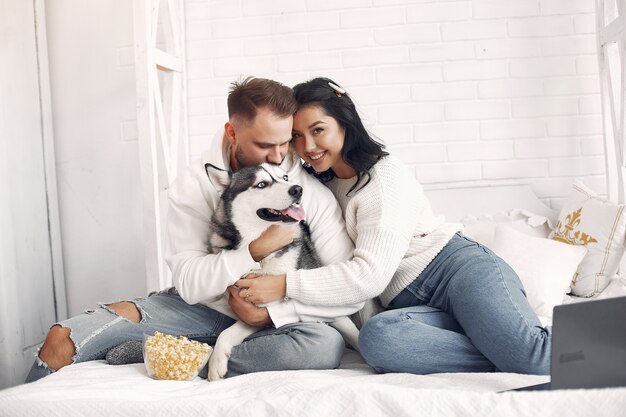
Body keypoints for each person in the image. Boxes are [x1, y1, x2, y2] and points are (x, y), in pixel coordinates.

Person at [25, 77, 361, 383]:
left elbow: (347, 284)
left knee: (323, 346)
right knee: (62, 338)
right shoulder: (195, 183)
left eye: (285, 143)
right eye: (263, 145)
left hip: (277, 323)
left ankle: (186, 358)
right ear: (233, 132)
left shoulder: (305, 192)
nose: (277, 158)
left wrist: (270, 313)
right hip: (201, 310)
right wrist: (252, 252)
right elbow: (188, 282)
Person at [236, 77, 551, 375]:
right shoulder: (321, 185)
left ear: (345, 123)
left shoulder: (384, 178)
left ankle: (571, 338)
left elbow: (369, 276)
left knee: (533, 357)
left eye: (318, 130)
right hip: (406, 304)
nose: (308, 146)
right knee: (378, 340)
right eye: (297, 137)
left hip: (457, 272)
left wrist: (284, 285)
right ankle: (497, 350)